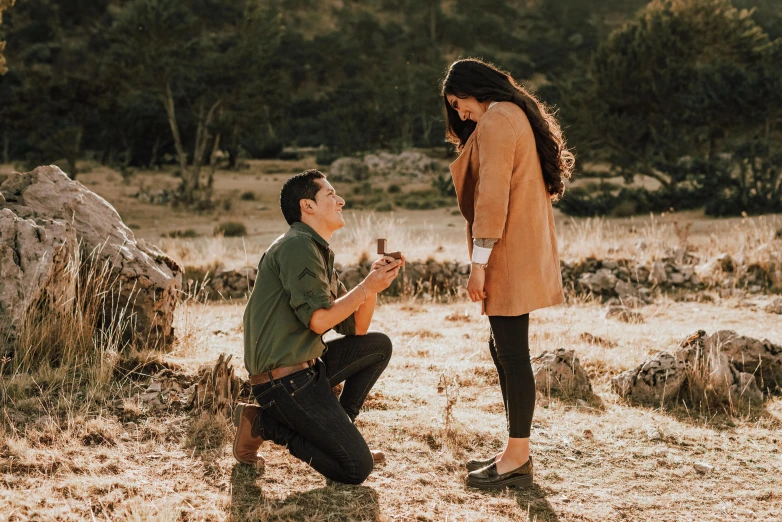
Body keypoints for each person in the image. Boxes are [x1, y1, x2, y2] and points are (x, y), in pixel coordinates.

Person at [442, 58, 574, 489]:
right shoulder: (513, 113)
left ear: (474, 89)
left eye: (459, 103)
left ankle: (517, 456)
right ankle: (514, 450)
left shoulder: (498, 120)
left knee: (513, 354)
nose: (460, 113)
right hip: (518, 250)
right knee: (505, 350)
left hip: (505, 255)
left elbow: (492, 197)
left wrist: (477, 266)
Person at [233, 169, 404, 484]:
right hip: (284, 382)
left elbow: (356, 330)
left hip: (306, 370)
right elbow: (318, 321)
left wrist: (374, 286)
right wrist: (366, 286)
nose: (340, 200)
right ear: (307, 206)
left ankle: (342, 432)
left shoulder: (315, 249)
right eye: (330, 194)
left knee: (377, 347)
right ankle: (265, 424)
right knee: (356, 469)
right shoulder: (297, 246)